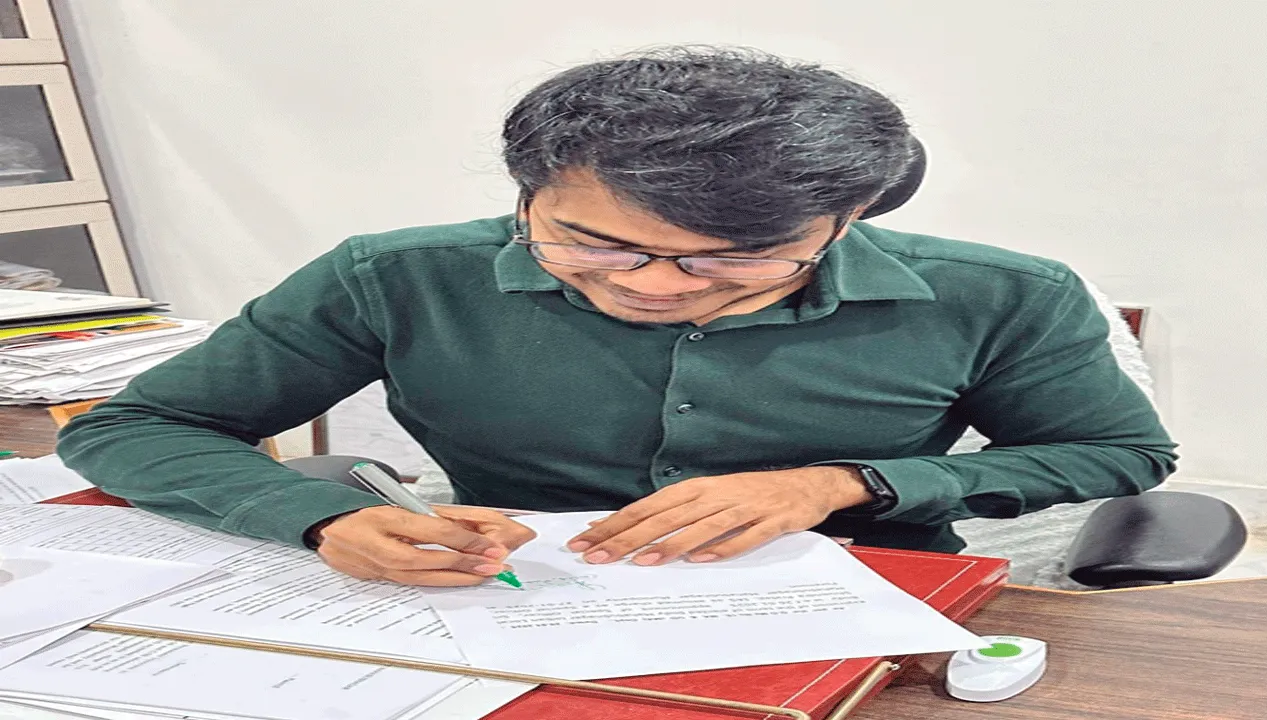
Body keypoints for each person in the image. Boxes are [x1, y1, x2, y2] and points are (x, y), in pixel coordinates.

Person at [58, 47, 1176, 587]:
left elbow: (1118, 452)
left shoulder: (1000, 294)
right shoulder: (394, 276)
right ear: (527, 195)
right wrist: (313, 518)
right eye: (591, 242)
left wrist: (844, 484)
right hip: (509, 593)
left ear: (847, 219)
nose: (651, 284)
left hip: (864, 593)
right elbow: (135, 426)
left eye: (733, 260)